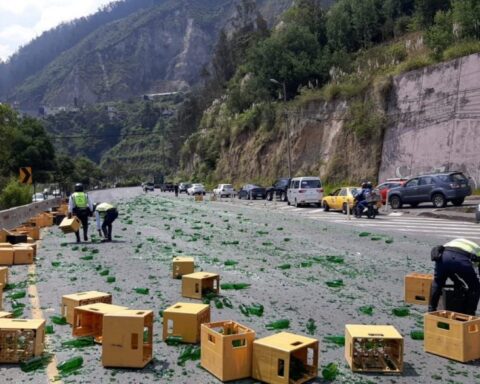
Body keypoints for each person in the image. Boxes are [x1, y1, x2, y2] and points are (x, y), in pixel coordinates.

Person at [429, 238, 480, 315]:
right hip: (462, 260)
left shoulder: (460, 242)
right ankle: (470, 313)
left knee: (438, 283)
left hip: (443, 257)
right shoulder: (478, 251)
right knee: (475, 287)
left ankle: (431, 310)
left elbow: (450, 267)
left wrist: (457, 281)